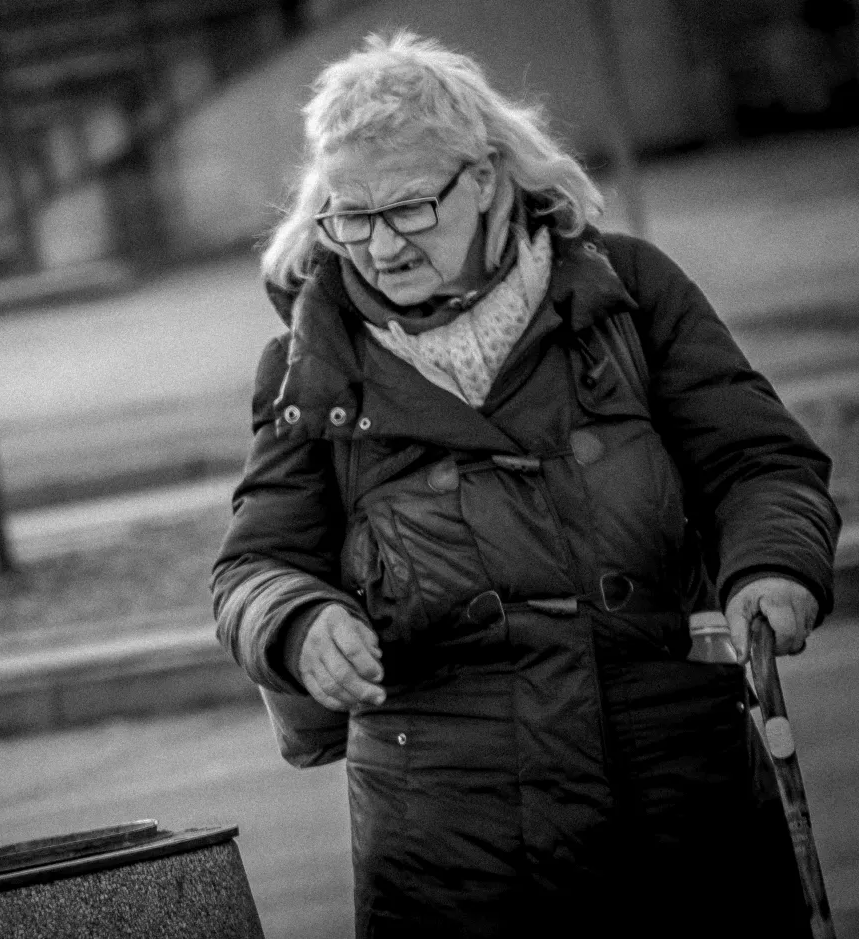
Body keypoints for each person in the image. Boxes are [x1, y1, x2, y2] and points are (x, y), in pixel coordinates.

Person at [211, 30, 841, 939]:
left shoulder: (628, 291)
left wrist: (771, 566)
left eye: (410, 209)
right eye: (350, 216)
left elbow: (759, 463)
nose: (379, 247)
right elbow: (255, 565)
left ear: (487, 180)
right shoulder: (309, 364)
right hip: (451, 844)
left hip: (680, 798)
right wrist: (300, 622)